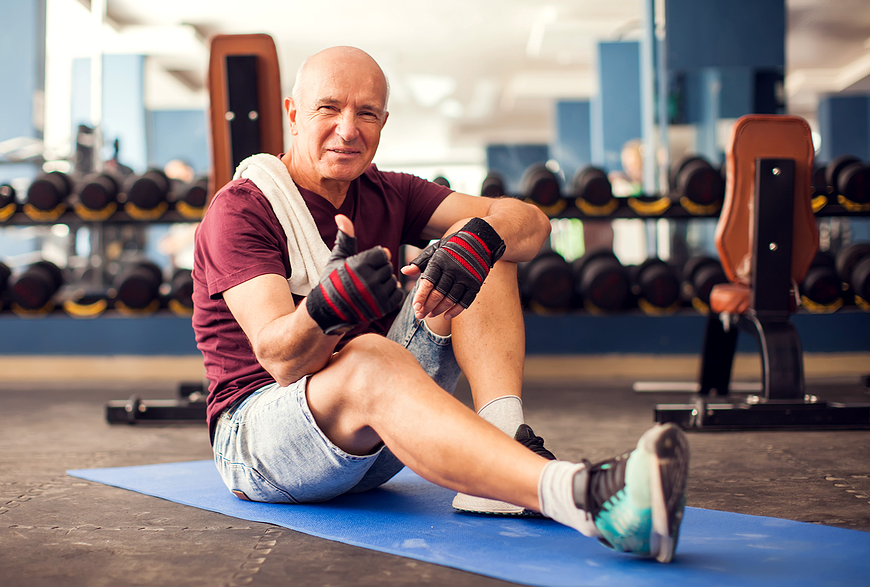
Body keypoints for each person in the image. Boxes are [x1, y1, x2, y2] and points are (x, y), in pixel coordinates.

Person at [192, 46, 690, 563]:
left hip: (372, 441)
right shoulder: (242, 209)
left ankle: (503, 437)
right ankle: (587, 497)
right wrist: (325, 309)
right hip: (259, 443)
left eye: (366, 113)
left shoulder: (389, 191)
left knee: (479, 240)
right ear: (294, 114)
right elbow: (279, 359)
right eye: (328, 109)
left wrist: (482, 239)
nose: (348, 129)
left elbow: (532, 224)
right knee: (370, 355)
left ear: (384, 122)